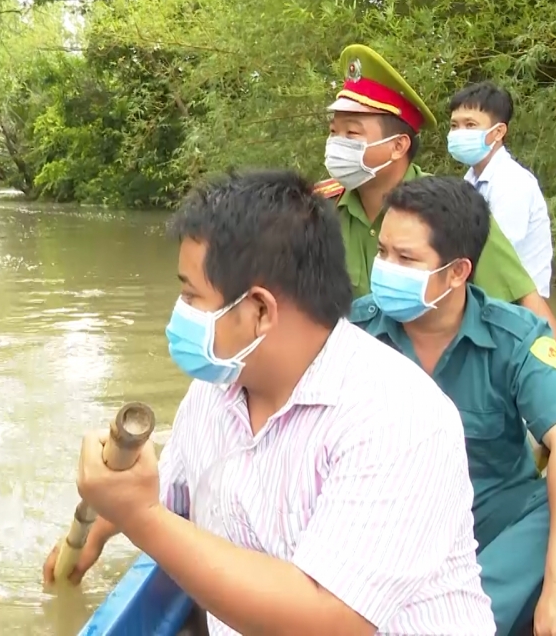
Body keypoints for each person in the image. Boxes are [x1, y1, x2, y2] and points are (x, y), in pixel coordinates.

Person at [45, 169, 496, 635]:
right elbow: (170, 494)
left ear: (260, 310)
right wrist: (99, 526)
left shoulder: (401, 416)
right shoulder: (216, 387)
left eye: (190, 295)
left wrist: (139, 517)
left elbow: (331, 620)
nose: (180, 314)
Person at [349, 175, 556, 636]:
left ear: (458, 272)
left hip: (489, 529)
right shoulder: (350, 334)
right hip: (384, 528)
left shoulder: (515, 338)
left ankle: (460, 619)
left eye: (406, 258)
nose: (386, 268)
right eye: (382, 252)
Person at [316, 43, 556, 432]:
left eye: (352, 134)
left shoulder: (451, 212)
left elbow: (526, 302)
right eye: (334, 132)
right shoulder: (317, 212)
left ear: (398, 146)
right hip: (354, 405)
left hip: (443, 405)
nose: (336, 144)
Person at [448, 82, 554, 297]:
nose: (460, 133)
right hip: (486, 296)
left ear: (498, 132)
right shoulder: (470, 180)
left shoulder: (513, 183)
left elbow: (493, 254)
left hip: (518, 304)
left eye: (470, 125)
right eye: (454, 125)